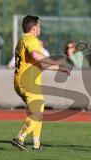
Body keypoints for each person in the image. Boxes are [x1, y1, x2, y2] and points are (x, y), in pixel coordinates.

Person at [11, 15, 70, 151]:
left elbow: (39, 63)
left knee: (37, 112)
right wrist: (56, 61)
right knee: (37, 113)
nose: (40, 28)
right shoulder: (31, 39)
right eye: (39, 26)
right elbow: (37, 56)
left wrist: (59, 68)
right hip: (28, 82)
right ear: (33, 28)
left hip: (20, 81)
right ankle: (20, 137)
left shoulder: (21, 40)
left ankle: (37, 144)